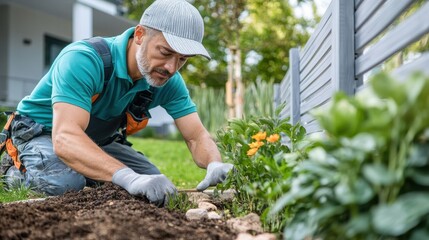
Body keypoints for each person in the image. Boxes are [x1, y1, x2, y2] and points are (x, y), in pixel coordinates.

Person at [1, 0, 233, 206]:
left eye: (182, 59)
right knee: (64, 183)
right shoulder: (84, 59)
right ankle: (13, 171)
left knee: (155, 189)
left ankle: (90, 173)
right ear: (140, 35)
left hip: (96, 140)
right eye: (165, 52)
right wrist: (128, 177)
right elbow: (65, 138)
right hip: (42, 133)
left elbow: (196, 136)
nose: (171, 67)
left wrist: (214, 163)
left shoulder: (167, 80)